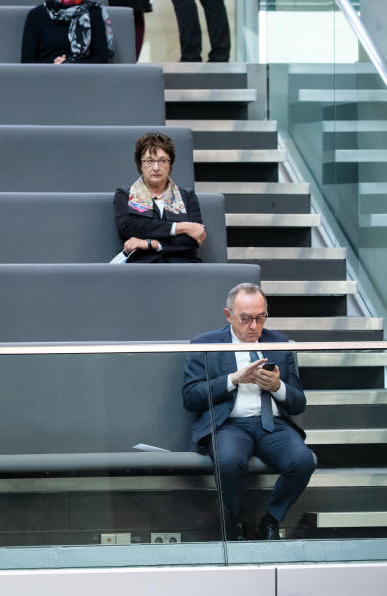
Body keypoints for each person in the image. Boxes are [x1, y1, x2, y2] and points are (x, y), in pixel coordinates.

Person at [182, 283, 315, 540]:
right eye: (245, 319)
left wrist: (278, 387)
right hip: (229, 425)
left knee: (303, 461)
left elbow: (298, 403)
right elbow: (190, 398)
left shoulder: (279, 343)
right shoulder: (205, 344)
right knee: (229, 462)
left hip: (273, 425)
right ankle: (237, 522)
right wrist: (233, 379)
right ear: (228, 315)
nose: (254, 326)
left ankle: (271, 520)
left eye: (260, 317)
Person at [114, 131, 206, 263]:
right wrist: (181, 227)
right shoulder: (125, 195)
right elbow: (130, 228)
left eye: (162, 161)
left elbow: (194, 238)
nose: (156, 167)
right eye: (149, 161)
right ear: (140, 164)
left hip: (183, 265)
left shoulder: (187, 196)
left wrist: (152, 243)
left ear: (170, 164)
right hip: (143, 267)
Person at [21, 0, 112, 64]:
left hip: (84, 76)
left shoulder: (93, 12)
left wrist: (69, 65)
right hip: (45, 78)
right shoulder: (36, 15)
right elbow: (27, 61)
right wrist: (53, 66)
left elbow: (101, 58)